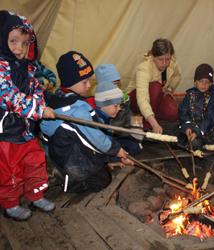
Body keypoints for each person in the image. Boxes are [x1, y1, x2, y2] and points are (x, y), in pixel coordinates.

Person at [40, 51, 133, 193]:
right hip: (68, 159)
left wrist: (109, 158)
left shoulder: (61, 97)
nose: (89, 85)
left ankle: (64, 171)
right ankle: (66, 178)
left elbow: (90, 138)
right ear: (70, 82)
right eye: (85, 82)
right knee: (103, 179)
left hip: (67, 150)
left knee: (102, 166)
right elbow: (95, 138)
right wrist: (117, 151)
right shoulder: (76, 110)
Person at [0, 11, 55, 221]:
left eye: (24, 43)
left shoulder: (28, 68)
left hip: (27, 130)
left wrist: (41, 103)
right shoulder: (0, 68)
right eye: (13, 41)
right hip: (6, 135)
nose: (19, 48)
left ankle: (36, 194)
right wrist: (38, 110)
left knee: (35, 163)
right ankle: (10, 204)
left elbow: (36, 90)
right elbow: (8, 96)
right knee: (9, 172)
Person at [126, 38, 181, 134]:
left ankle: (149, 116)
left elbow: (177, 76)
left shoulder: (172, 63)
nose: (164, 63)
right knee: (155, 87)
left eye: (167, 59)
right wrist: (154, 124)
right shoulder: (144, 68)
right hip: (135, 100)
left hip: (155, 98)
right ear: (153, 57)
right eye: (160, 59)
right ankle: (143, 121)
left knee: (172, 112)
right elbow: (142, 99)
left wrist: (170, 88)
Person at [94, 64, 141, 157]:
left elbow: (130, 114)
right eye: (113, 84)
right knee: (127, 148)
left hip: (124, 133)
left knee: (135, 146)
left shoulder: (121, 97)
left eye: (117, 83)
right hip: (112, 136)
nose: (116, 87)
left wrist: (138, 128)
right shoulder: (102, 103)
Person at [178, 64, 214, 149]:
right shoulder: (190, 95)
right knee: (176, 139)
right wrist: (187, 126)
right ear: (196, 82)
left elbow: (210, 118)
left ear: (211, 83)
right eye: (201, 81)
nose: (204, 84)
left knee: (196, 143)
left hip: (204, 131)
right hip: (189, 126)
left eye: (207, 82)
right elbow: (183, 111)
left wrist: (197, 132)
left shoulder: (212, 98)